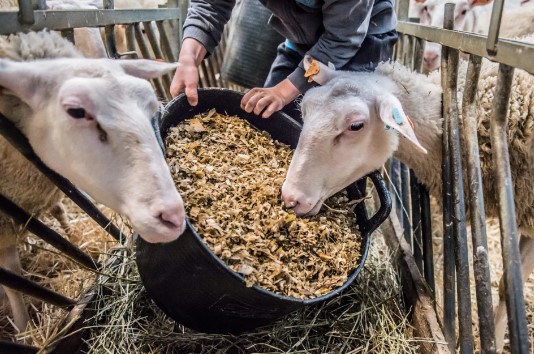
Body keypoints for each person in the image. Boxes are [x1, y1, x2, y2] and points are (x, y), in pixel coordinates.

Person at [170, 0, 398, 120]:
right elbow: (211, 4)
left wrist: (284, 91)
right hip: (301, 37)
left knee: (344, 127)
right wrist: (188, 57)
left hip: (361, 38)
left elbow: (343, 38)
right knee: (264, 117)